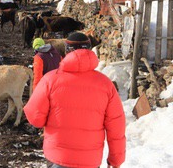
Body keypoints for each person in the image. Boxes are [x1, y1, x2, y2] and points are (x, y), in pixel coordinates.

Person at [24, 32, 126, 168]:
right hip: (89, 160)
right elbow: (116, 127)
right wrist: (115, 160)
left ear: (67, 50)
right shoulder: (106, 84)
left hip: (58, 156)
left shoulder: (50, 79)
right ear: (90, 49)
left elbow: (35, 118)